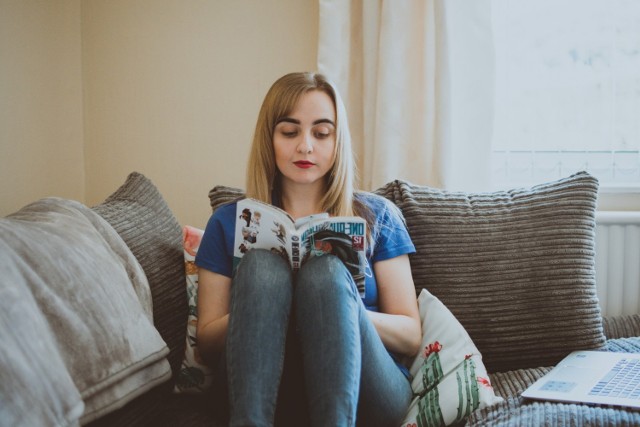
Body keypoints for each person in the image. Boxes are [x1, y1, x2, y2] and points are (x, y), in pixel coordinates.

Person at [195, 72, 421, 427]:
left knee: (326, 274)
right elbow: (206, 343)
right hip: (262, 389)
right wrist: (269, 305)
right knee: (261, 269)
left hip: (368, 391)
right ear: (269, 138)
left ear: (337, 141)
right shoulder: (229, 222)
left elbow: (410, 335)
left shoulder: (379, 216)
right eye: (289, 132)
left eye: (321, 133)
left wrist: (338, 308)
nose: (305, 146)